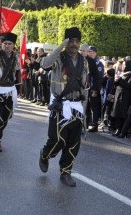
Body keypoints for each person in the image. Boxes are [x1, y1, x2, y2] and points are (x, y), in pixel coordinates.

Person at [39, 27, 89, 187]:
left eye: (76, 41)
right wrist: (60, 46)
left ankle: (66, 172)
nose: (74, 44)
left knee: (73, 143)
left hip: (77, 106)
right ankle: (45, 155)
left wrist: (84, 109)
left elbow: (85, 86)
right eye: (71, 41)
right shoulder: (58, 57)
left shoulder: (84, 61)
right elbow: (45, 64)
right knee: (57, 139)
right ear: (66, 42)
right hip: (60, 105)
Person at [86, 46, 104, 132]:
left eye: (90, 51)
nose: (88, 52)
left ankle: (94, 124)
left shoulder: (98, 64)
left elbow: (98, 78)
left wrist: (95, 89)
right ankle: (86, 123)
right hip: (88, 87)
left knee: (94, 107)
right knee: (87, 106)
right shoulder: (88, 61)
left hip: (94, 88)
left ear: (94, 52)